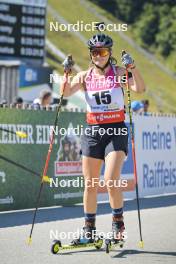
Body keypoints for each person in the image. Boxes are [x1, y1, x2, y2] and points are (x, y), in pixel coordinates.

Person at [60, 33, 146, 244]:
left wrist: (133, 68)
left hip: (116, 130)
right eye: (95, 52)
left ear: (110, 53)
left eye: (103, 52)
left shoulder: (119, 73)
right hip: (93, 131)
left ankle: (118, 225)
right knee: (90, 184)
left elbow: (140, 89)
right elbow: (65, 93)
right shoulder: (84, 76)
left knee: (110, 180)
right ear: (91, 54)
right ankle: (89, 230)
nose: (99, 56)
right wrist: (66, 72)